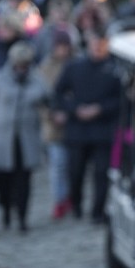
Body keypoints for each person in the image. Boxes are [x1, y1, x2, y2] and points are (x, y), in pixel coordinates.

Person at [53, 27, 121, 223]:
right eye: (95, 44)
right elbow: (58, 93)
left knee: (101, 174)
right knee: (75, 172)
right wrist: (74, 109)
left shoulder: (115, 69)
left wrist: (100, 109)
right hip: (78, 130)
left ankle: (98, 211)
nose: (98, 48)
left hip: (102, 131)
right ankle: (76, 206)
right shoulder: (75, 67)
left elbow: (121, 100)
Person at [0, 40, 49, 232]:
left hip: (26, 140)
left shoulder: (36, 80)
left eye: (25, 65)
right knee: (3, 181)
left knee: (23, 182)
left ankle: (22, 217)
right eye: (19, 65)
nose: (22, 69)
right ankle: (5, 212)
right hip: (2, 140)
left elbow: (48, 98)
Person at [37, 29, 75, 219]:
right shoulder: (46, 67)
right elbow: (40, 97)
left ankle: (70, 197)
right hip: (53, 125)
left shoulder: (76, 63)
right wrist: (51, 116)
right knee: (58, 165)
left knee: (72, 165)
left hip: (74, 123)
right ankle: (60, 200)